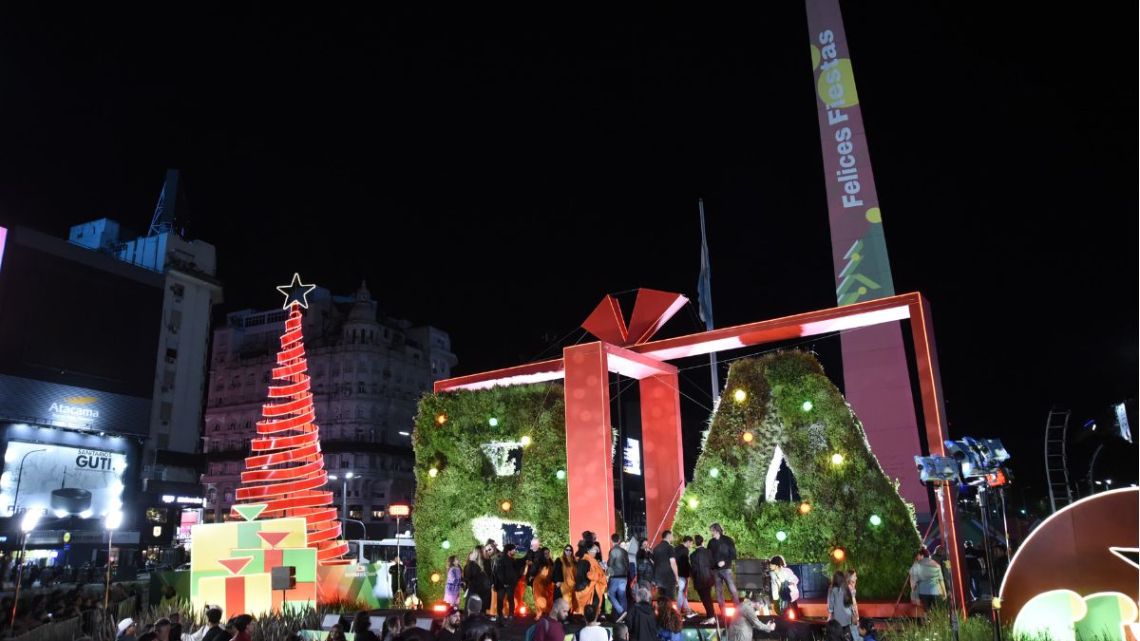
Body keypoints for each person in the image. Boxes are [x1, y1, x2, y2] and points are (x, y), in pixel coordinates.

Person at [707, 524, 740, 619]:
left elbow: (733, 555)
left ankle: (738, 610)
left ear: (717, 530)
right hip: (715, 570)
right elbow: (709, 556)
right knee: (718, 592)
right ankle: (723, 612)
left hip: (726, 569)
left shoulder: (728, 540)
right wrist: (712, 566)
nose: (711, 533)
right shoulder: (711, 542)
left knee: (732, 590)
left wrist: (724, 561)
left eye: (712, 531)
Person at [575, 541, 608, 617]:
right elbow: (589, 575)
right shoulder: (586, 561)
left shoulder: (589, 560)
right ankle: (591, 620)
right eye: (594, 551)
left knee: (592, 607)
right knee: (591, 607)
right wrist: (601, 576)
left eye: (596, 551)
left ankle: (592, 619)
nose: (596, 553)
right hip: (588, 587)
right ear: (589, 551)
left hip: (591, 587)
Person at [689, 535, 716, 624]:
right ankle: (711, 616)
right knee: (708, 597)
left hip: (699, 579)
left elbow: (693, 569)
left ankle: (711, 616)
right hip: (708, 578)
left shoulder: (692, 555)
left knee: (705, 599)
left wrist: (693, 577)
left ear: (694, 543)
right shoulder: (708, 552)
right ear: (702, 542)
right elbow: (712, 564)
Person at [826, 571, 859, 641]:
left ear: (834, 579)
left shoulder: (832, 589)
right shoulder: (847, 588)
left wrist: (829, 615)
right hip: (848, 618)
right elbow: (851, 603)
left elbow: (830, 604)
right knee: (847, 635)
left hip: (837, 619)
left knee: (837, 635)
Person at [493, 544, 520, 621]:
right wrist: (504, 582)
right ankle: (501, 614)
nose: (515, 551)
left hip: (510, 584)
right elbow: (500, 573)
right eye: (513, 549)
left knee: (510, 599)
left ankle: (510, 614)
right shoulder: (502, 560)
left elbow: (514, 572)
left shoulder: (512, 560)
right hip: (503, 584)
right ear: (509, 551)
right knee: (501, 599)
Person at [607, 533, 631, 619]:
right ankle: (624, 615)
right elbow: (628, 564)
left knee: (610, 594)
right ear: (619, 540)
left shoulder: (613, 551)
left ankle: (620, 611)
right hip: (624, 576)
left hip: (615, 576)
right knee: (622, 595)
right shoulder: (624, 551)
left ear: (611, 540)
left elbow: (610, 564)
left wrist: (608, 574)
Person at [652, 532, 679, 601]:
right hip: (668, 577)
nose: (673, 537)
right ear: (669, 536)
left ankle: (662, 611)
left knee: (661, 599)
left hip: (658, 578)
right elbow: (673, 562)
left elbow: (654, 563)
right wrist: (677, 577)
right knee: (670, 599)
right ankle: (668, 611)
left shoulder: (656, 548)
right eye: (672, 535)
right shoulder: (670, 547)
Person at [464, 548, 492, 614]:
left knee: (472, 612)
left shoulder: (473, 565)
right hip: (481, 593)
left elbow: (468, 576)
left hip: (476, 593)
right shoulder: (479, 566)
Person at [552, 545, 578, 613]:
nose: (568, 552)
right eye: (567, 550)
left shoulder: (574, 561)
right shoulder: (560, 560)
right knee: (566, 600)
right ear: (564, 551)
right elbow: (556, 571)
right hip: (564, 584)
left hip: (573, 584)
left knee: (573, 601)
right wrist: (558, 580)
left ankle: (570, 616)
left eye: (570, 550)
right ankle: (564, 617)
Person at [531, 548, 555, 619]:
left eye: (548, 553)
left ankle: (548, 614)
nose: (547, 555)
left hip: (548, 583)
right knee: (539, 599)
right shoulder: (538, 561)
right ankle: (539, 614)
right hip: (539, 583)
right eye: (545, 553)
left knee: (549, 599)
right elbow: (533, 571)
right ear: (542, 554)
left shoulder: (551, 561)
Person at [674, 537, 694, 616]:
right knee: (681, 591)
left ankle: (686, 608)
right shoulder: (685, 550)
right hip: (683, 574)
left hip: (677, 573)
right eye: (691, 543)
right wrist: (690, 572)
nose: (691, 545)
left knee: (682, 592)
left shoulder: (675, 549)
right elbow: (685, 563)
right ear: (688, 542)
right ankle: (678, 609)